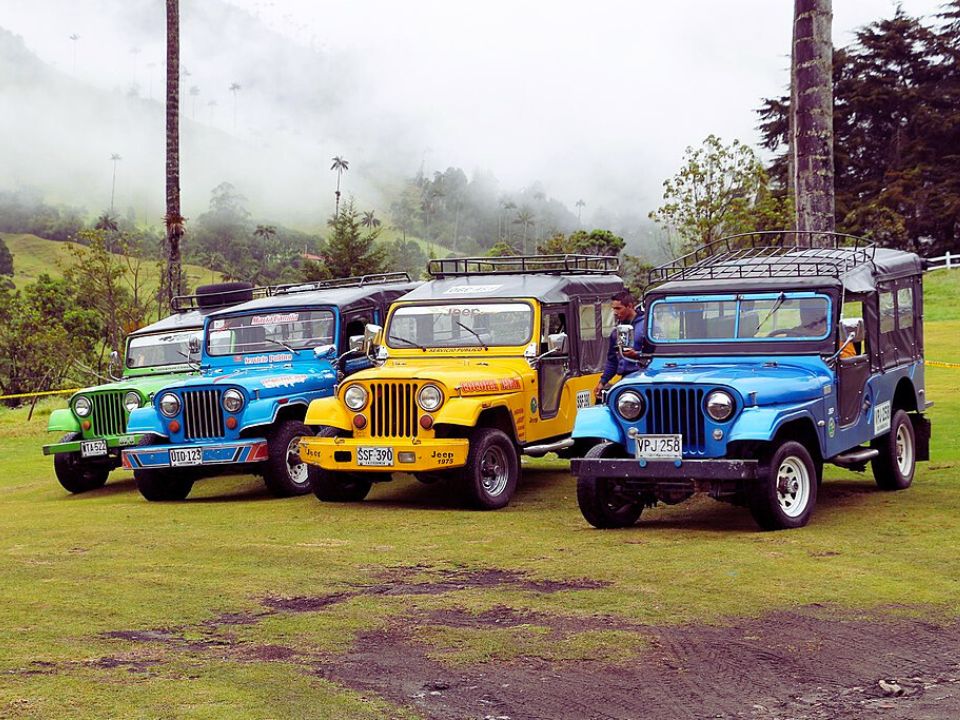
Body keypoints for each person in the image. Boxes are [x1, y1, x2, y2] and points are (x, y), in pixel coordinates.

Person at [594, 290, 646, 400]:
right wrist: (602, 382)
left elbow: (657, 353)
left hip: (643, 379)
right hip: (625, 380)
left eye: (618, 308)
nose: (615, 312)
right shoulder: (616, 331)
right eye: (613, 308)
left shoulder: (647, 326)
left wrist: (637, 355)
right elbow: (612, 360)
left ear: (630, 306)